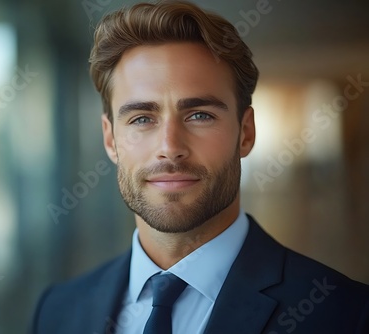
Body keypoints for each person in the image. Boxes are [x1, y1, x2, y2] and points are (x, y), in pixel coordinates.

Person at [31, 1, 369, 333]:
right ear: (110, 140)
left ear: (245, 133)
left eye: (199, 115)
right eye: (142, 118)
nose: (170, 148)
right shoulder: (56, 311)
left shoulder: (348, 315)